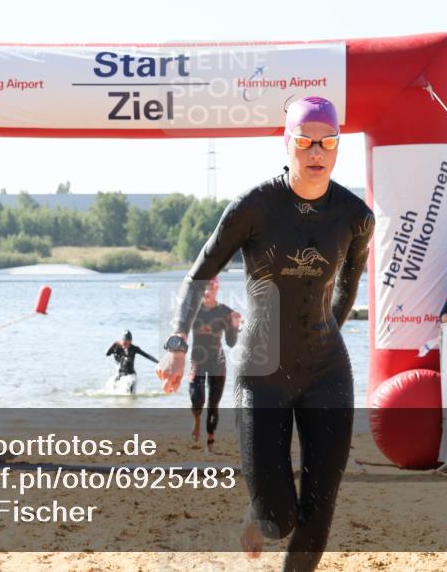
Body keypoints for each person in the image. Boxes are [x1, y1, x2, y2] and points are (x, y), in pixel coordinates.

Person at [156, 96, 373, 571]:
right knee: (279, 517)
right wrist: (177, 343)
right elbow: (198, 275)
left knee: (320, 509)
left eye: (327, 142)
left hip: (327, 371)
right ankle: (259, 513)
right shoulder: (254, 207)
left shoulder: (356, 216)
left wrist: (321, 340)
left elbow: (347, 291)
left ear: (337, 147)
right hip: (262, 369)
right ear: (287, 143)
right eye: (305, 141)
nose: (316, 151)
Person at [188, 276, 242, 451]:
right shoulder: (193, 310)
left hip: (217, 360)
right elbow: (179, 330)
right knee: (197, 399)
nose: (207, 290)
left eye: (211, 286)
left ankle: (210, 439)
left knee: (213, 402)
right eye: (204, 287)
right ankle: (196, 420)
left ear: (217, 288)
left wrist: (234, 326)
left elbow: (231, 343)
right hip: (198, 358)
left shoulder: (225, 312)